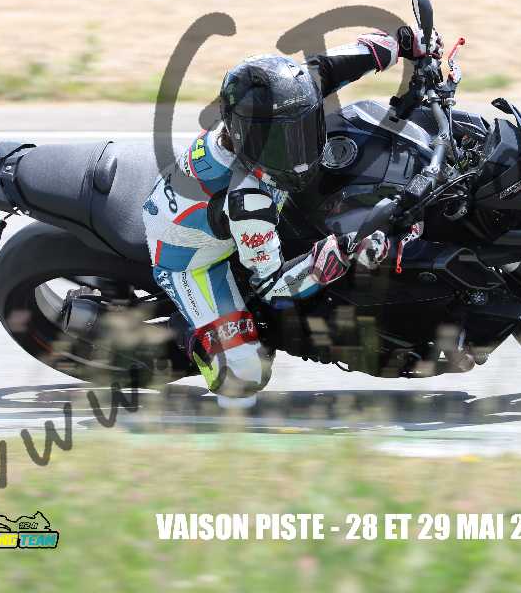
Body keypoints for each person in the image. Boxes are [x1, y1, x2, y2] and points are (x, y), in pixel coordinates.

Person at [142, 25, 442, 407]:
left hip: (223, 210)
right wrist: (335, 256)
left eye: (304, 129)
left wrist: (402, 44)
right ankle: (190, 335)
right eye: (282, 142)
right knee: (244, 379)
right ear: (244, 136)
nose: (298, 151)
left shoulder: (285, 102)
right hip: (189, 259)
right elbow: (272, 286)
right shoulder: (248, 200)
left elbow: (334, 65)